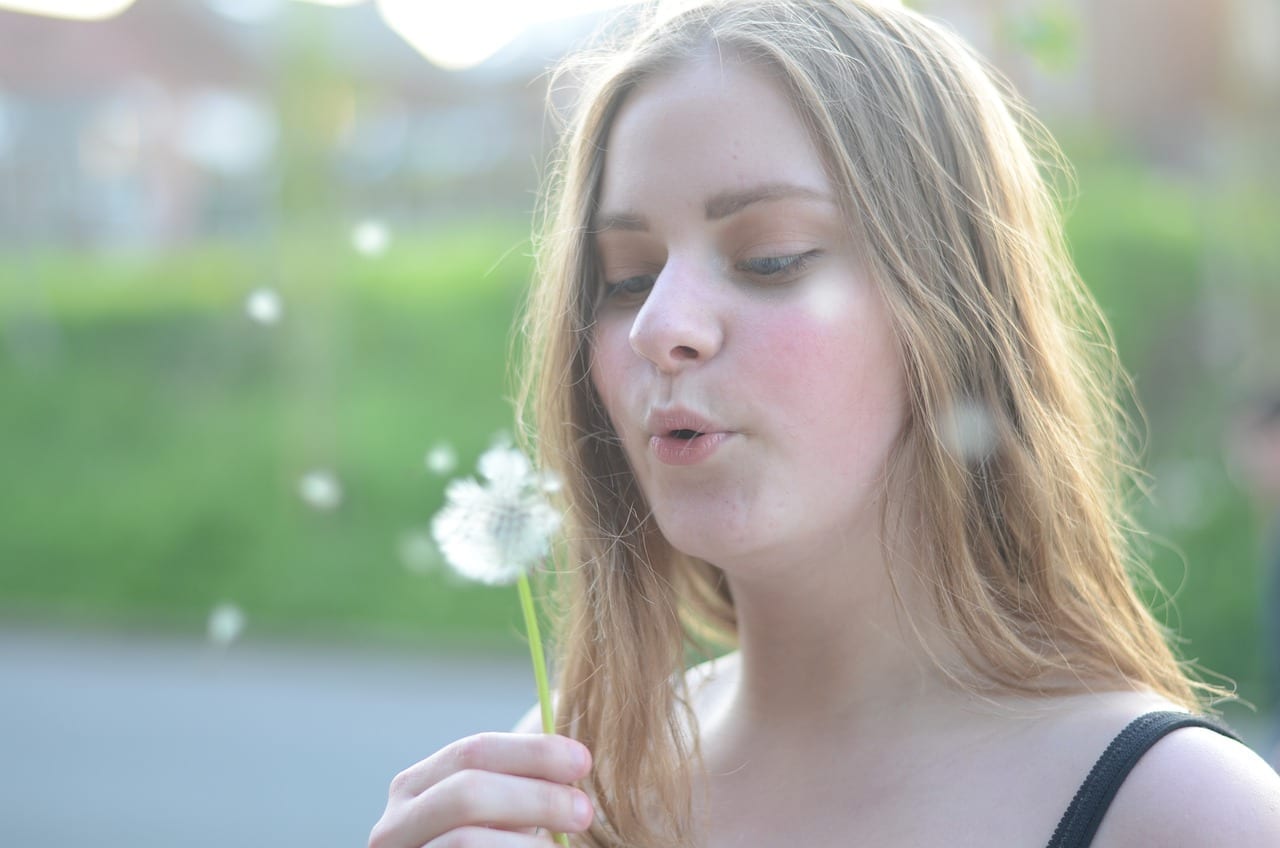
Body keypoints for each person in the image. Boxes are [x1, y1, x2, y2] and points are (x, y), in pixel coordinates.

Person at [370, 1, 1280, 846]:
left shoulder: (1182, 816)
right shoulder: (561, 780)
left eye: (770, 258)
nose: (660, 326)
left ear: (952, 310)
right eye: (626, 278)